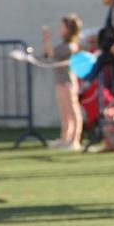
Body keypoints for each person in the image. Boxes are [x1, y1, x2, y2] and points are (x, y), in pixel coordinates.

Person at [43, 14, 84, 150]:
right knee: (64, 112)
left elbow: (68, 59)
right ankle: (65, 138)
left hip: (68, 82)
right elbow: (50, 54)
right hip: (60, 82)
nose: (60, 29)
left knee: (73, 111)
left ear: (70, 29)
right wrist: (46, 38)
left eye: (63, 26)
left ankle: (75, 140)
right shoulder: (63, 45)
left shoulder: (71, 46)